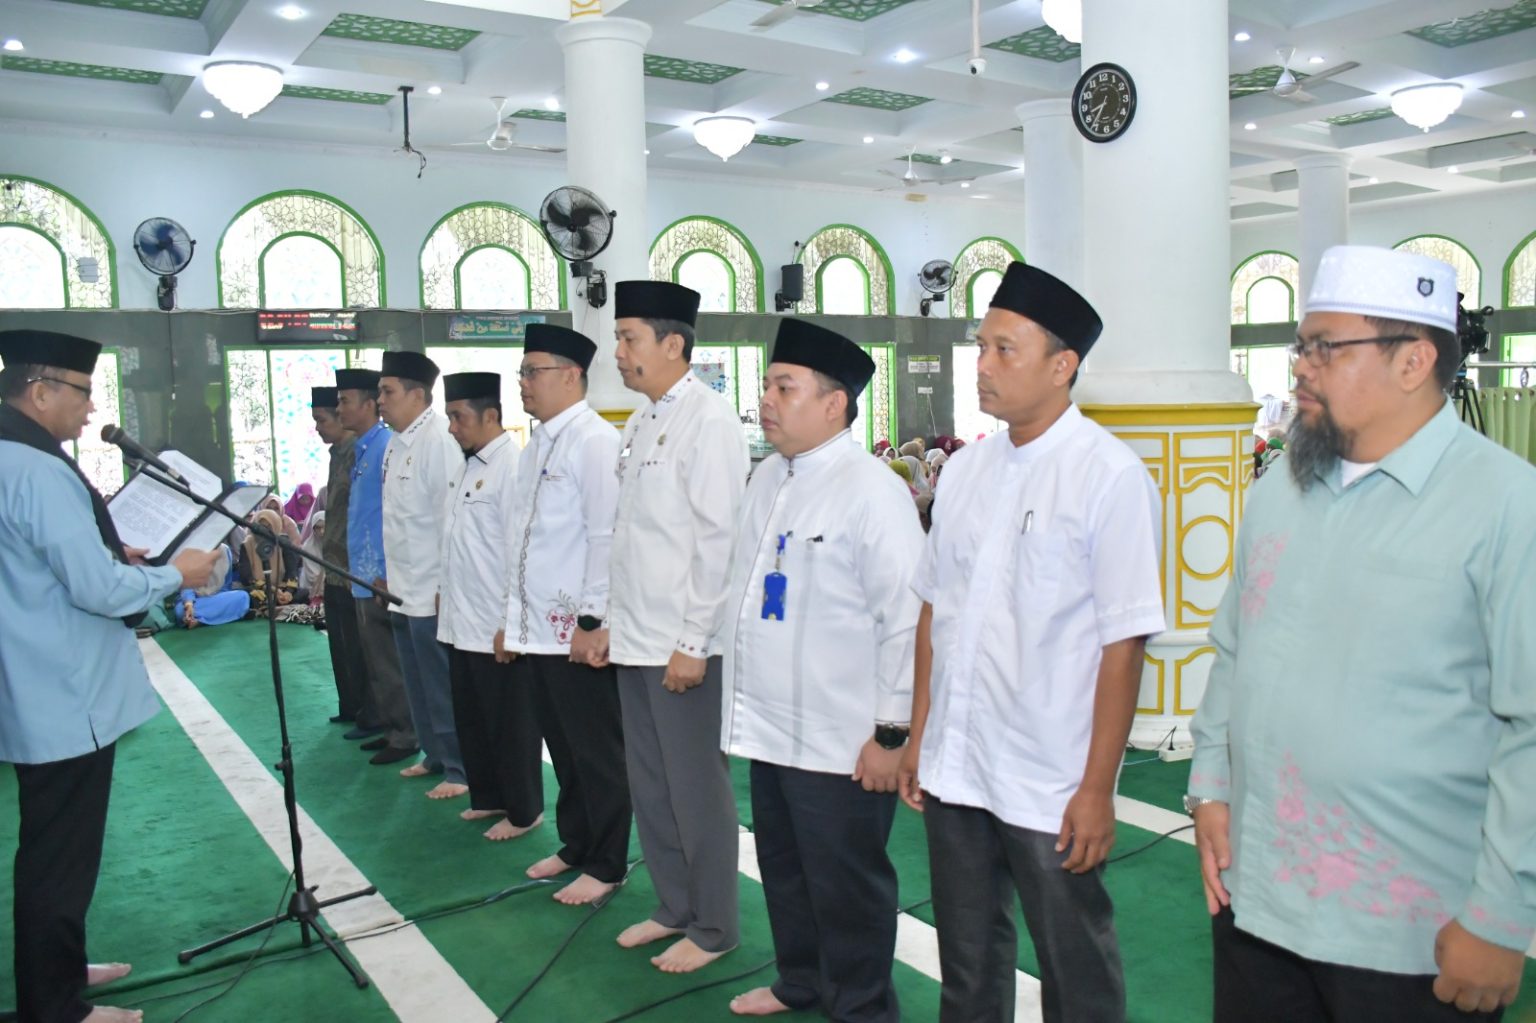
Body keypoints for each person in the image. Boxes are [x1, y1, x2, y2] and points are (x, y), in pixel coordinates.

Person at [1188, 245, 1536, 1023]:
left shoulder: (1509, 506)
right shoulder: (1282, 486)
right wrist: (1211, 783)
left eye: (1326, 348)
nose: (1300, 368)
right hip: (1258, 894)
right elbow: (1234, 648)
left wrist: (1501, 915)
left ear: (1413, 360)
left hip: (1409, 929)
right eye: (1301, 346)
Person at [897, 262, 1165, 1023]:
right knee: (967, 961)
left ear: (1062, 364)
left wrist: (1097, 788)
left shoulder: (1108, 475)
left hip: (1049, 774)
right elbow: (934, 610)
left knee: (1074, 964)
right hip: (958, 761)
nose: (982, 365)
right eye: (981, 346)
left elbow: (1123, 645)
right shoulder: (966, 470)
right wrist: (919, 734)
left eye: (1004, 350)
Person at [0, 328, 222, 1023]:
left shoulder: (11, 456)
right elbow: (95, 589)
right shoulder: (38, 470)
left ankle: (59, 969)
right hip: (64, 690)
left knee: (51, 848)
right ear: (40, 391)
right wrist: (172, 574)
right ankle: (55, 1006)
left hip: (33, 679)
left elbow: (39, 561)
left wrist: (111, 554)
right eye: (82, 391)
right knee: (58, 857)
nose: (91, 407)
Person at [721, 320, 923, 1022]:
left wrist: (892, 733)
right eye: (767, 386)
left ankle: (862, 1008)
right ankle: (800, 981)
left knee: (848, 887)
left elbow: (905, 620)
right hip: (771, 726)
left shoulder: (871, 490)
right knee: (784, 867)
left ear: (835, 404)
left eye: (785, 387)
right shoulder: (768, 477)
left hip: (842, 739)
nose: (766, 400)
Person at [609, 280, 748, 973]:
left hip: (683, 646)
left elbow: (717, 541)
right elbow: (630, 535)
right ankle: (673, 906)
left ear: (673, 344)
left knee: (696, 790)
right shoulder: (640, 422)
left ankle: (715, 924)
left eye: (628, 337)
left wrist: (694, 642)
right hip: (636, 637)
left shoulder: (709, 421)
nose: (618, 351)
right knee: (652, 785)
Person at [493, 325, 632, 904]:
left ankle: (608, 862)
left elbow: (606, 536)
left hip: (575, 629)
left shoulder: (594, 441)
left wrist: (592, 621)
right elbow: (521, 541)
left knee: (597, 752)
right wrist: (511, 620)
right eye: (522, 373)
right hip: (537, 630)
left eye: (534, 372)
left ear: (572, 376)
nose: (523, 383)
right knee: (565, 748)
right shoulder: (537, 445)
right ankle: (577, 844)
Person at [436, 371, 543, 839]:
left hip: (495, 620)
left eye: (459, 417)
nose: (452, 427)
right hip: (461, 616)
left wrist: (509, 621)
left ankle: (524, 810)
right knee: (474, 716)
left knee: (510, 722)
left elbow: (519, 551)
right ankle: (489, 796)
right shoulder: (467, 466)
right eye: (449, 417)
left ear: (491, 415)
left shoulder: (511, 467)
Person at [378, 350, 466, 799]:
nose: (380, 400)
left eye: (387, 391)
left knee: (440, 683)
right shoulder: (395, 443)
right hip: (402, 588)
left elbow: (450, 520)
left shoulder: (439, 441)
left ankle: (459, 768)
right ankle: (433, 753)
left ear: (417, 395)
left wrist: (445, 586)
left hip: (431, 589)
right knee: (416, 680)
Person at [335, 366, 417, 765]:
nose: (339, 409)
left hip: (379, 575)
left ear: (368, 405)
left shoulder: (386, 446)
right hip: (362, 574)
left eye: (345, 401)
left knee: (389, 661)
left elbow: (394, 514)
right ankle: (391, 727)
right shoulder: (364, 448)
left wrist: (386, 571)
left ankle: (406, 736)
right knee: (376, 661)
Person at [313, 386, 372, 729]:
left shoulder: (358, 453)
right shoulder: (337, 453)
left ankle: (368, 712)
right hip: (334, 566)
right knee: (340, 642)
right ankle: (350, 706)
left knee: (360, 645)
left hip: (354, 569)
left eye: (322, 420)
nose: (318, 427)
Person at [179, 543, 250, 628]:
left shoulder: (225, 550)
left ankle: (199, 620)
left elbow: (226, 586)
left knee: (243, 597)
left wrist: (222, 599)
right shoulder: (192, 551)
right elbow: (186, 585)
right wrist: (189, 604)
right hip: (195, 601)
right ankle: (208, 617)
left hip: (216, 598)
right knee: (180, 610)